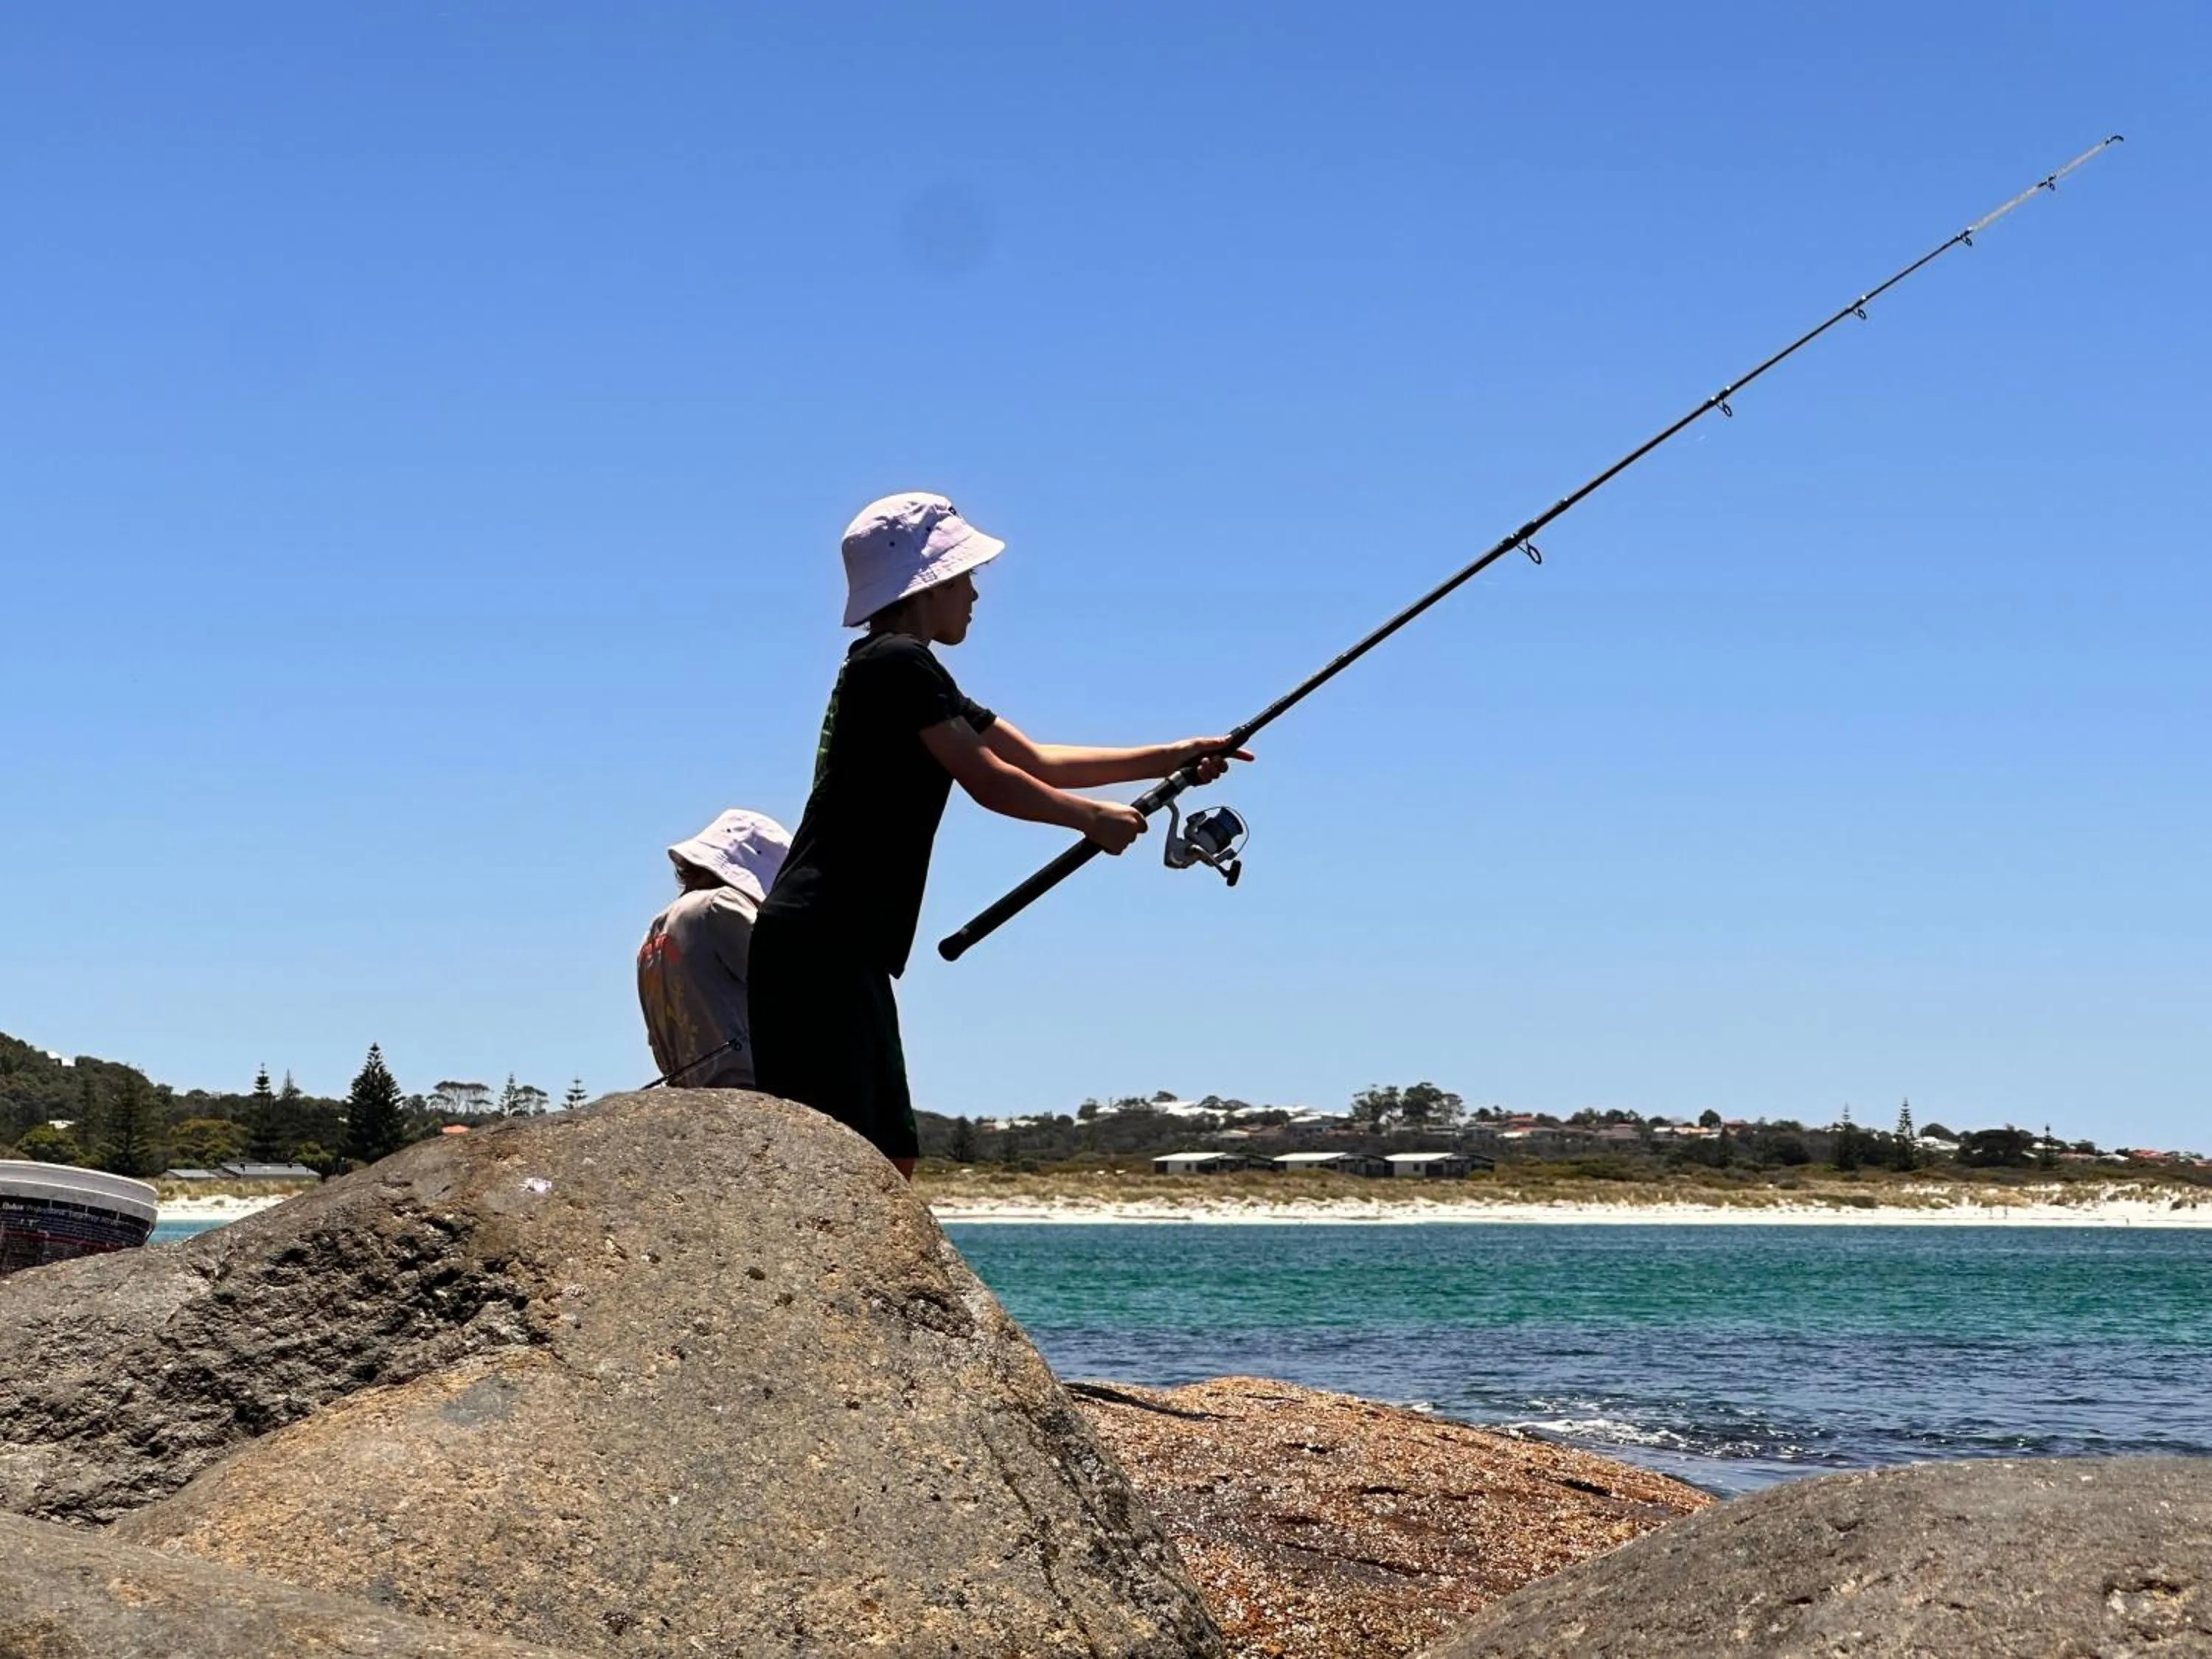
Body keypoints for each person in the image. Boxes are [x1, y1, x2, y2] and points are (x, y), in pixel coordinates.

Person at [751, 492, 1249, 1179]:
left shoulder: (902, 668)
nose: (976, 594)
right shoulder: (896, 663)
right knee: (862, 1156)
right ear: (928, 583)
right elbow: (987, 779)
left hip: (834, 938)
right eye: (965, 577)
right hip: (823, 935)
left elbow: (1037, 761)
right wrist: (1090, 819)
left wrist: (1177, 755)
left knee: (879, 1152)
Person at [636, 808, 793, 1090]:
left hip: (687, 1097)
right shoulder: (720, 907)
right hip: (747, 1094)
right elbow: (792, 983)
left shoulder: (653, 933)